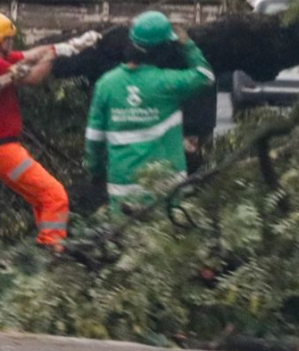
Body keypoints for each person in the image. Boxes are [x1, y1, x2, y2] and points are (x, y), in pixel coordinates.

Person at [0, 12, 99, 249]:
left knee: (42, 199)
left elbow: (31, 55)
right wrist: (53, 56)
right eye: (8, 38)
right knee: (55, 195)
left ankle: (47, 244)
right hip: (3, 149)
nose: (12, 42)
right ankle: (53, 248)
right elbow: (34, 77)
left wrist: (69, 46)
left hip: (0, 149)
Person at [84, 11, 216, 213]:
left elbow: (94, 139)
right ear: (162, 49)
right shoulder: (167, 83)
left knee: (123, 243)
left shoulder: (106, 85)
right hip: (166, 189)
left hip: (123, 190)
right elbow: (205, 75)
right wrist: (187, 45)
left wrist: (96, 172)